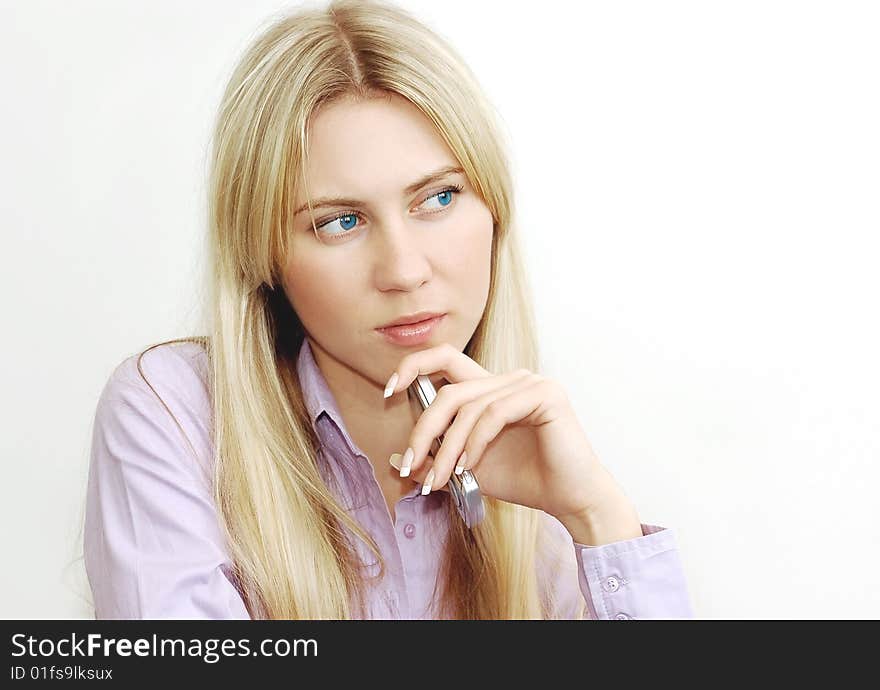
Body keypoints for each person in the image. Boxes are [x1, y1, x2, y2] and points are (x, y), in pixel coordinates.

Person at [83, 0, 695, 619]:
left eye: (438, 198)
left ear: (494, 213)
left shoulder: (541, 480)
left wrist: (597, 515)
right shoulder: (176, 417)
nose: (404, 271)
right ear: (263, 253)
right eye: (340, 222)